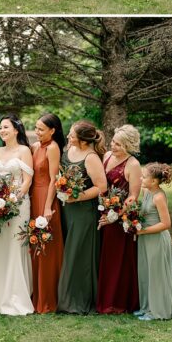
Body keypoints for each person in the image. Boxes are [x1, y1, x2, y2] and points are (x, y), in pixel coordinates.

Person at [0, 114, 34, 316]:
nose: (2, 130)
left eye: (6, 127)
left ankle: (16, 297)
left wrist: (13, 200)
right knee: (0, 246)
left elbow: (27, 180)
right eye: (0, 128)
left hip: (19, 206)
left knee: (15, 246)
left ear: (16, 130)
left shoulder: (24, 151)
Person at [57, 121, 107, 315]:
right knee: (68, 251)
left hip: (84, 211)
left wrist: (76, 196)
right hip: (67, 210)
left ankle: (77, 301)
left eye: (72, 134)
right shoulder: (68, 151)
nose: (69, 136)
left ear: (83, 140)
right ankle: (66, 297)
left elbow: (101, 186)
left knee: (78, 254)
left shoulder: (91, 157)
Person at [97, 124, 141, 315]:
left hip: (120, 220)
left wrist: (114, 216)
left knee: (117, 261)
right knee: (102, 258)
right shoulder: (106, 156)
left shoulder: (133, 165)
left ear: (129, 146)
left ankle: (117, 302)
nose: (114, 147)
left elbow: (133, 198)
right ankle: (101, 298)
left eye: (119, 145)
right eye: (114, 142)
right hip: (101, 213)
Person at [136, 162, 172, 321]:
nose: (141, 178)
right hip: (145, 238)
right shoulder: (147, 191)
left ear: (154, 181)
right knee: (146, 273)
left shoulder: (159, 197)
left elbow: (166, 224)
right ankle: (147, 307)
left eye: (144, 176)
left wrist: (143, 231)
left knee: (156, 274)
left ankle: (159, 311)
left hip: (156, 239)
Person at [30, 114, 65, 314]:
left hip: (46, 198)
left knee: (48, 248)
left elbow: (54, 179)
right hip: (33, 195)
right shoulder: (35, 147)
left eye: (41, 129)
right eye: (36, 128)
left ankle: (48, 298)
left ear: (53, 131)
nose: (37, 132)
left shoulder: (53, 148)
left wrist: (47, 207)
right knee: (35, 245)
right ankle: (36, 295)